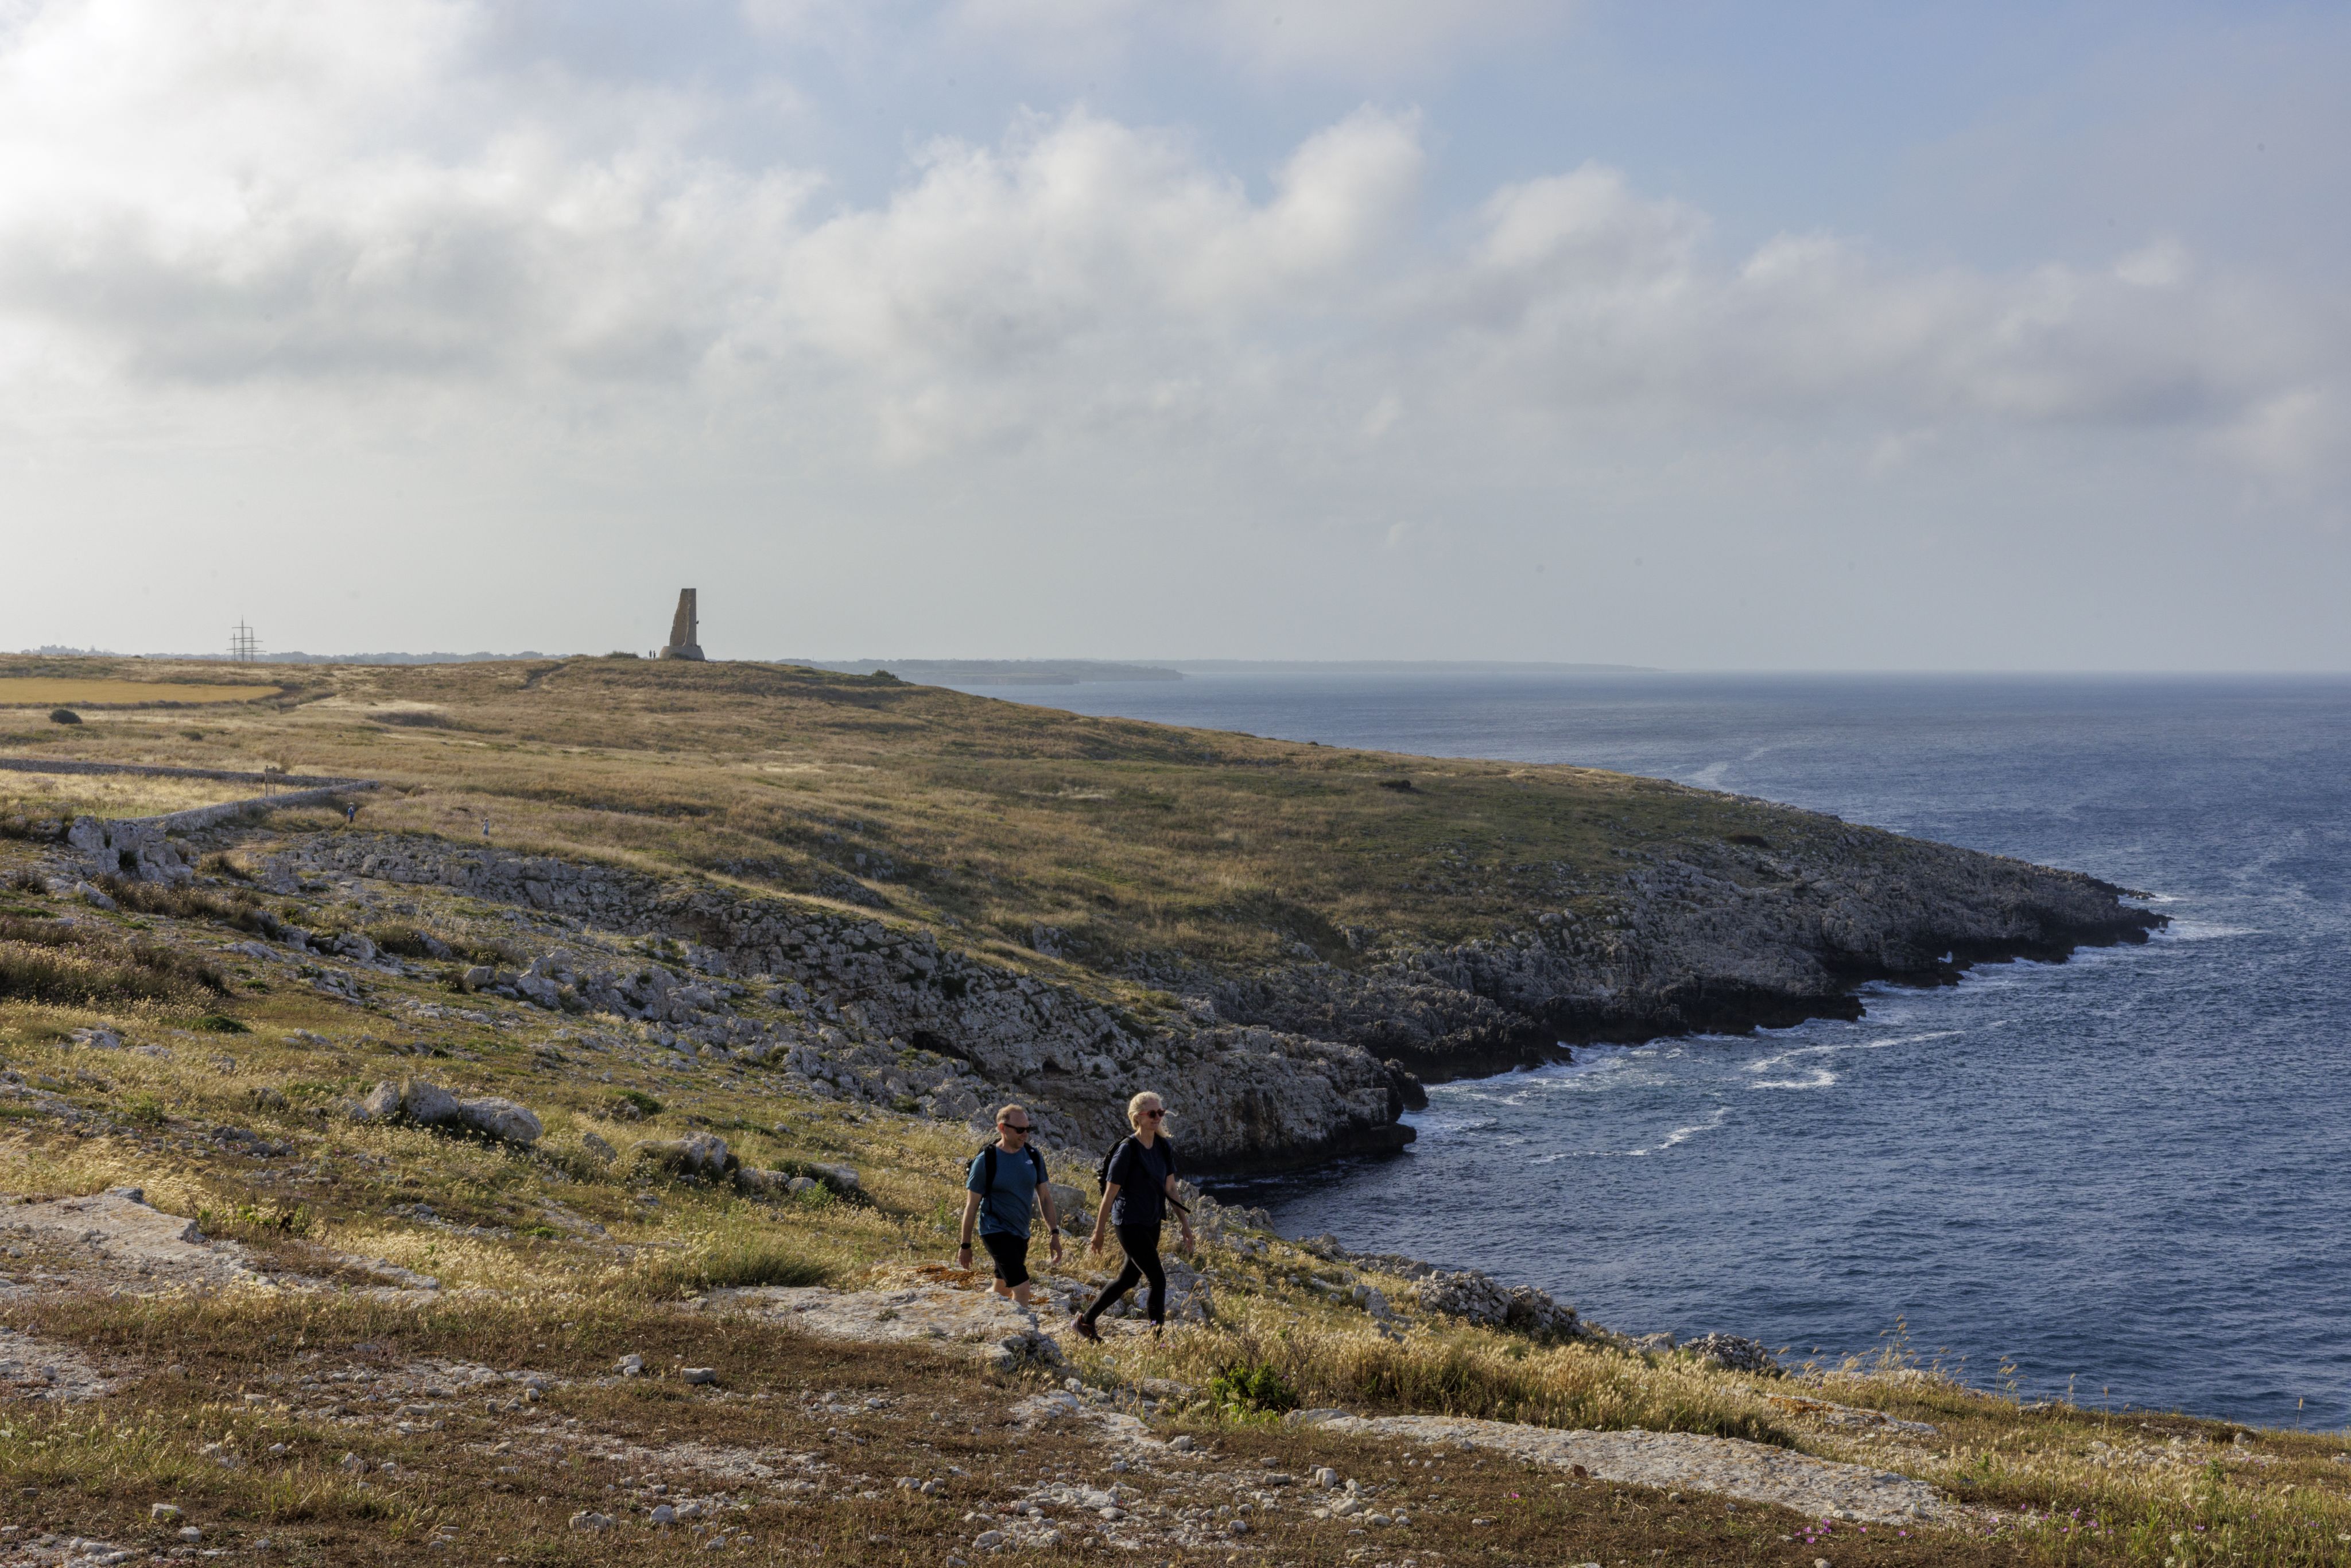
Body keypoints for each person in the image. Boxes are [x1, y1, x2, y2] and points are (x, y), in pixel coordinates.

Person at [1069, 1091, 1194, 1341]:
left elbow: (1171, 1189)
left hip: (1152, 1221)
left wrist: (1185, 1225)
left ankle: (1085, 1321)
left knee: (1128, 1278)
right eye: (1152, 1113)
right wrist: (1098, 1232)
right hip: (1128, 1222)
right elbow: (1110, 1195)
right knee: (1158, 1279)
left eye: (1161, 1112)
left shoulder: (1163, 1147)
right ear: (1138, 1117)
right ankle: (1155, 1338)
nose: (1158, 1117)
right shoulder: (1127, 1150)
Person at [958, 1104, 1062, 1305]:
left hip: (1020, 1234)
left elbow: (1045, 1198)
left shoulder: (1033, 1156)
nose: (1025, 1135)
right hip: (994, 1231)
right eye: (1020, 1130)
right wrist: (965, 1245)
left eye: (1028, 1130)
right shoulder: (986, 1161)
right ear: (1002, 1128)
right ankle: (1024, 1334)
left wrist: (1054, 1233)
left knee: (1002, 1289)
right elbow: (971, 1206)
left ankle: (976, 1309)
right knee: (1022, 1287)